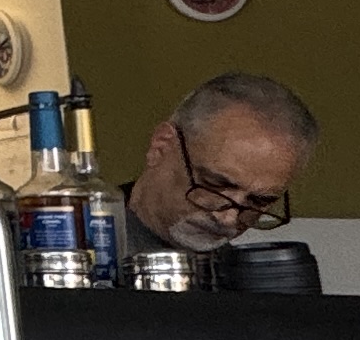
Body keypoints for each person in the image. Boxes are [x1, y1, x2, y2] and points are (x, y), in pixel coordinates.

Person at [121, 72, 318, 259]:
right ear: (161, 146)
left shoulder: (247, 279)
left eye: (258, 202)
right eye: (214, 183)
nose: (228, 218)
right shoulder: (93, 248)